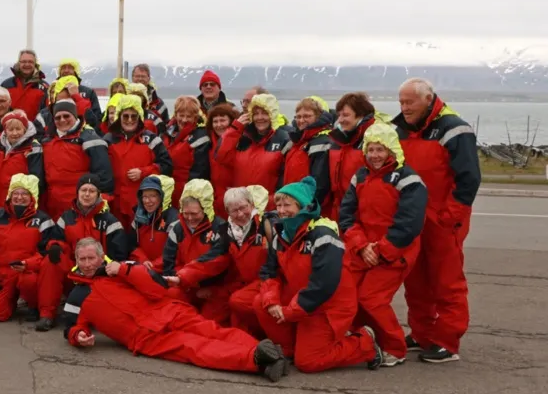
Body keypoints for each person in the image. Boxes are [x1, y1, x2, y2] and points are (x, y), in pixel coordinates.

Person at [61, 239, 288, 381]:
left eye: (91, 258)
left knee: (213, 331)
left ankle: (268, 353)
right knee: (197, 349)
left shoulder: (121, 269)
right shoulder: (77, 295)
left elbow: (156, 289)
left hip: (167, 311)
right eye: (82, 259)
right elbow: (72, 327)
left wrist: (123, 270)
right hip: (146, 338)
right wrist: (77, 335)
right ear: (76, 260)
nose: (87, 264)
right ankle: (257, 359)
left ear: (101, 257)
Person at [253, 177, 382, 372]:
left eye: (287, 205)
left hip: (329, 305)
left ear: (303, 207)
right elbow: (269, 271)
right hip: (304, 299)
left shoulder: (322, 234)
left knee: (308, 362)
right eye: (278, 205)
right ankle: (290, 349)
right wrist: (272, 301)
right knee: (261, 303)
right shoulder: (281, 234)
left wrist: (292, 310)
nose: (281, 211)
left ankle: (365, 344)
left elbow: (324, 284)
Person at [392, 78, 480, 363]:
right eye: (401, 102)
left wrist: (450, 216)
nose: (404, 108)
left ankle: (447, 341)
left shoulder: (454, 129)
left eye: (410, 102)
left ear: (428, 99)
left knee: (446, 281)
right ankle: (422, 333)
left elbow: (468, 178)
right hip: (414, 218)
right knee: (416, 281)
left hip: (442, 219)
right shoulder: (401, 130)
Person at [339, 123, 427, 366]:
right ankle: (361, 337)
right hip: (363, 248)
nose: (375, 155)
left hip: (395, 251)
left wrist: (380, 250)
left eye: (380, 149)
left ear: (391, 150)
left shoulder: (408, 180)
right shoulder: (360, 176)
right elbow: (346, 215)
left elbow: (409, 224)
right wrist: (361, 246)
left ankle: (395, 348)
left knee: (372, 298)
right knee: (345, 292)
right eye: (370, 150)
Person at [176, 186, 273, 332]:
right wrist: (183, 276)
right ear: (227, 212)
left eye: (243, 207)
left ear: (252, 205)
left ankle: (267, 336)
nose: (240, 214)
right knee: (209, 321)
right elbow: (213, 258)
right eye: (234, 210)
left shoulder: (266, 224)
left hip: (268, 281)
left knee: (238, 302)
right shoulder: (226, 232)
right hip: (240, 284)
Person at [39, 174, 127, 330]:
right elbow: (57, 239)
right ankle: (47, 315)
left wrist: (101, 269)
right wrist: (55, 246)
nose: (87, 194)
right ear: (77, 192)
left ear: (98, 194)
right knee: (50, 262)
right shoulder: (66, 217)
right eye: (83, 190)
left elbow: (119, 255)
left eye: (92, 191)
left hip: (99, 274)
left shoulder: (110, 221)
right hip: (73, 271)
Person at [0, 174, 56, 323]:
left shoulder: (43, 220)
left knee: (29, 281)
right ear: (10, 195)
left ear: (32, 196)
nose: (19, 197)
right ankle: (9, 301)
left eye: (24, 193)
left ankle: (33, 305)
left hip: (27, 272)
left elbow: (46, 252)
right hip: (1, 276)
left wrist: (28, 264)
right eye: (16, 193)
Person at [103, 94, 173, 227]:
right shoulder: (108, 140)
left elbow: (167, 166)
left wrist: (144, 172)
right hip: (115, 204)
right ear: (119, 116)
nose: (129, 120)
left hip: (143, 204)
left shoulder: (152, 140)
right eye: (125, 116)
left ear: (140, 117)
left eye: (134, 116)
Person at [40, 98, 114, 220]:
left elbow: (104, 176)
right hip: (53, 205)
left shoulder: (90, 140)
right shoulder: (47, 141)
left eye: (66, 116)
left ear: (75, 116)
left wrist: (101, 202)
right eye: (58, 117)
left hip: (81, 205)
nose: (62, 120)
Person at [215, 93, 291, 198]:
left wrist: (271, 202)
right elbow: (221, 156)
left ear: (272, 114)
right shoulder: (242, 138)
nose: (259, 117)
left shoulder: (283, 140)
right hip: (241, 204)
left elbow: (286, 179)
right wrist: (235, 128)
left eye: (264, 113)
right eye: (255, 113)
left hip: (268, 205)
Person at [327, 92, 377, 220]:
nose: (340, 120)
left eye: (345, 115)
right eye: (339, 115)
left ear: (361, 115)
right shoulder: (339, 140)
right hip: (339, 210)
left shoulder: (373, 140)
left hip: (363, 213)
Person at [0, 110, 44, 214]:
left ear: (25, 129)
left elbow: (37, 180)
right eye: (11, 129)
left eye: (18, 129)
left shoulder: (33, 148)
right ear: (5, 131)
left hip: (21, 204)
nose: (15, 133)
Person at [283, 97, 334, 209]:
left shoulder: (322, 143)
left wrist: (308, 209)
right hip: (291, 205)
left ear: (317, 117)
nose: (301, 120)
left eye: (307, 116)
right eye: (298, 117)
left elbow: (320, 185)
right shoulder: (296, 143)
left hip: (307, 207)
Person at [164, 95, 211, 206]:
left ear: (195, 117)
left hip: (186, 192)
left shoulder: (201, 137)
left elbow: (199, 171)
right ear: (175, 114)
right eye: (181, 115)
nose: (184, 120)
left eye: (188, 116)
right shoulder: (167, 132)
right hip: (166, 190)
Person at [128, 175, 179, 270]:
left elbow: (175, 252)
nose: (147, 201)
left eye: (153, 196)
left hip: (165, 270)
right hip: (142, 267)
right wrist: (143, 260)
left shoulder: (174, 219)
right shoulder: (138, 216)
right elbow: (132, 245)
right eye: (145, 196)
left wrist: (152, 266)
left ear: (161, 197)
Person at [206, 102, 240, 219]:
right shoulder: (210, 144)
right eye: (215, 121)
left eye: (222, 120)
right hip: (216, 197)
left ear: (231, 121)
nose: (219, 125)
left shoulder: (239, 142)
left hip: (233, 196)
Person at [1, 48, 49, 121]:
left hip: (35, 127)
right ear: (19, 63)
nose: (27, 64)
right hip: (9, 126)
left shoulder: (44, 87)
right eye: (24, 61)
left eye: (30, 62)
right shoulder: (6, 85)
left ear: (35, 64)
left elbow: (47, 112)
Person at [54, 59, 102, 127]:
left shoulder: (88, 92)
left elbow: (96, 121)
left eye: (70, 68)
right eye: (63, 68)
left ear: (76, 72)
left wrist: (76, 97)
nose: (66, 70)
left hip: (84, 132)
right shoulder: (52, 92)